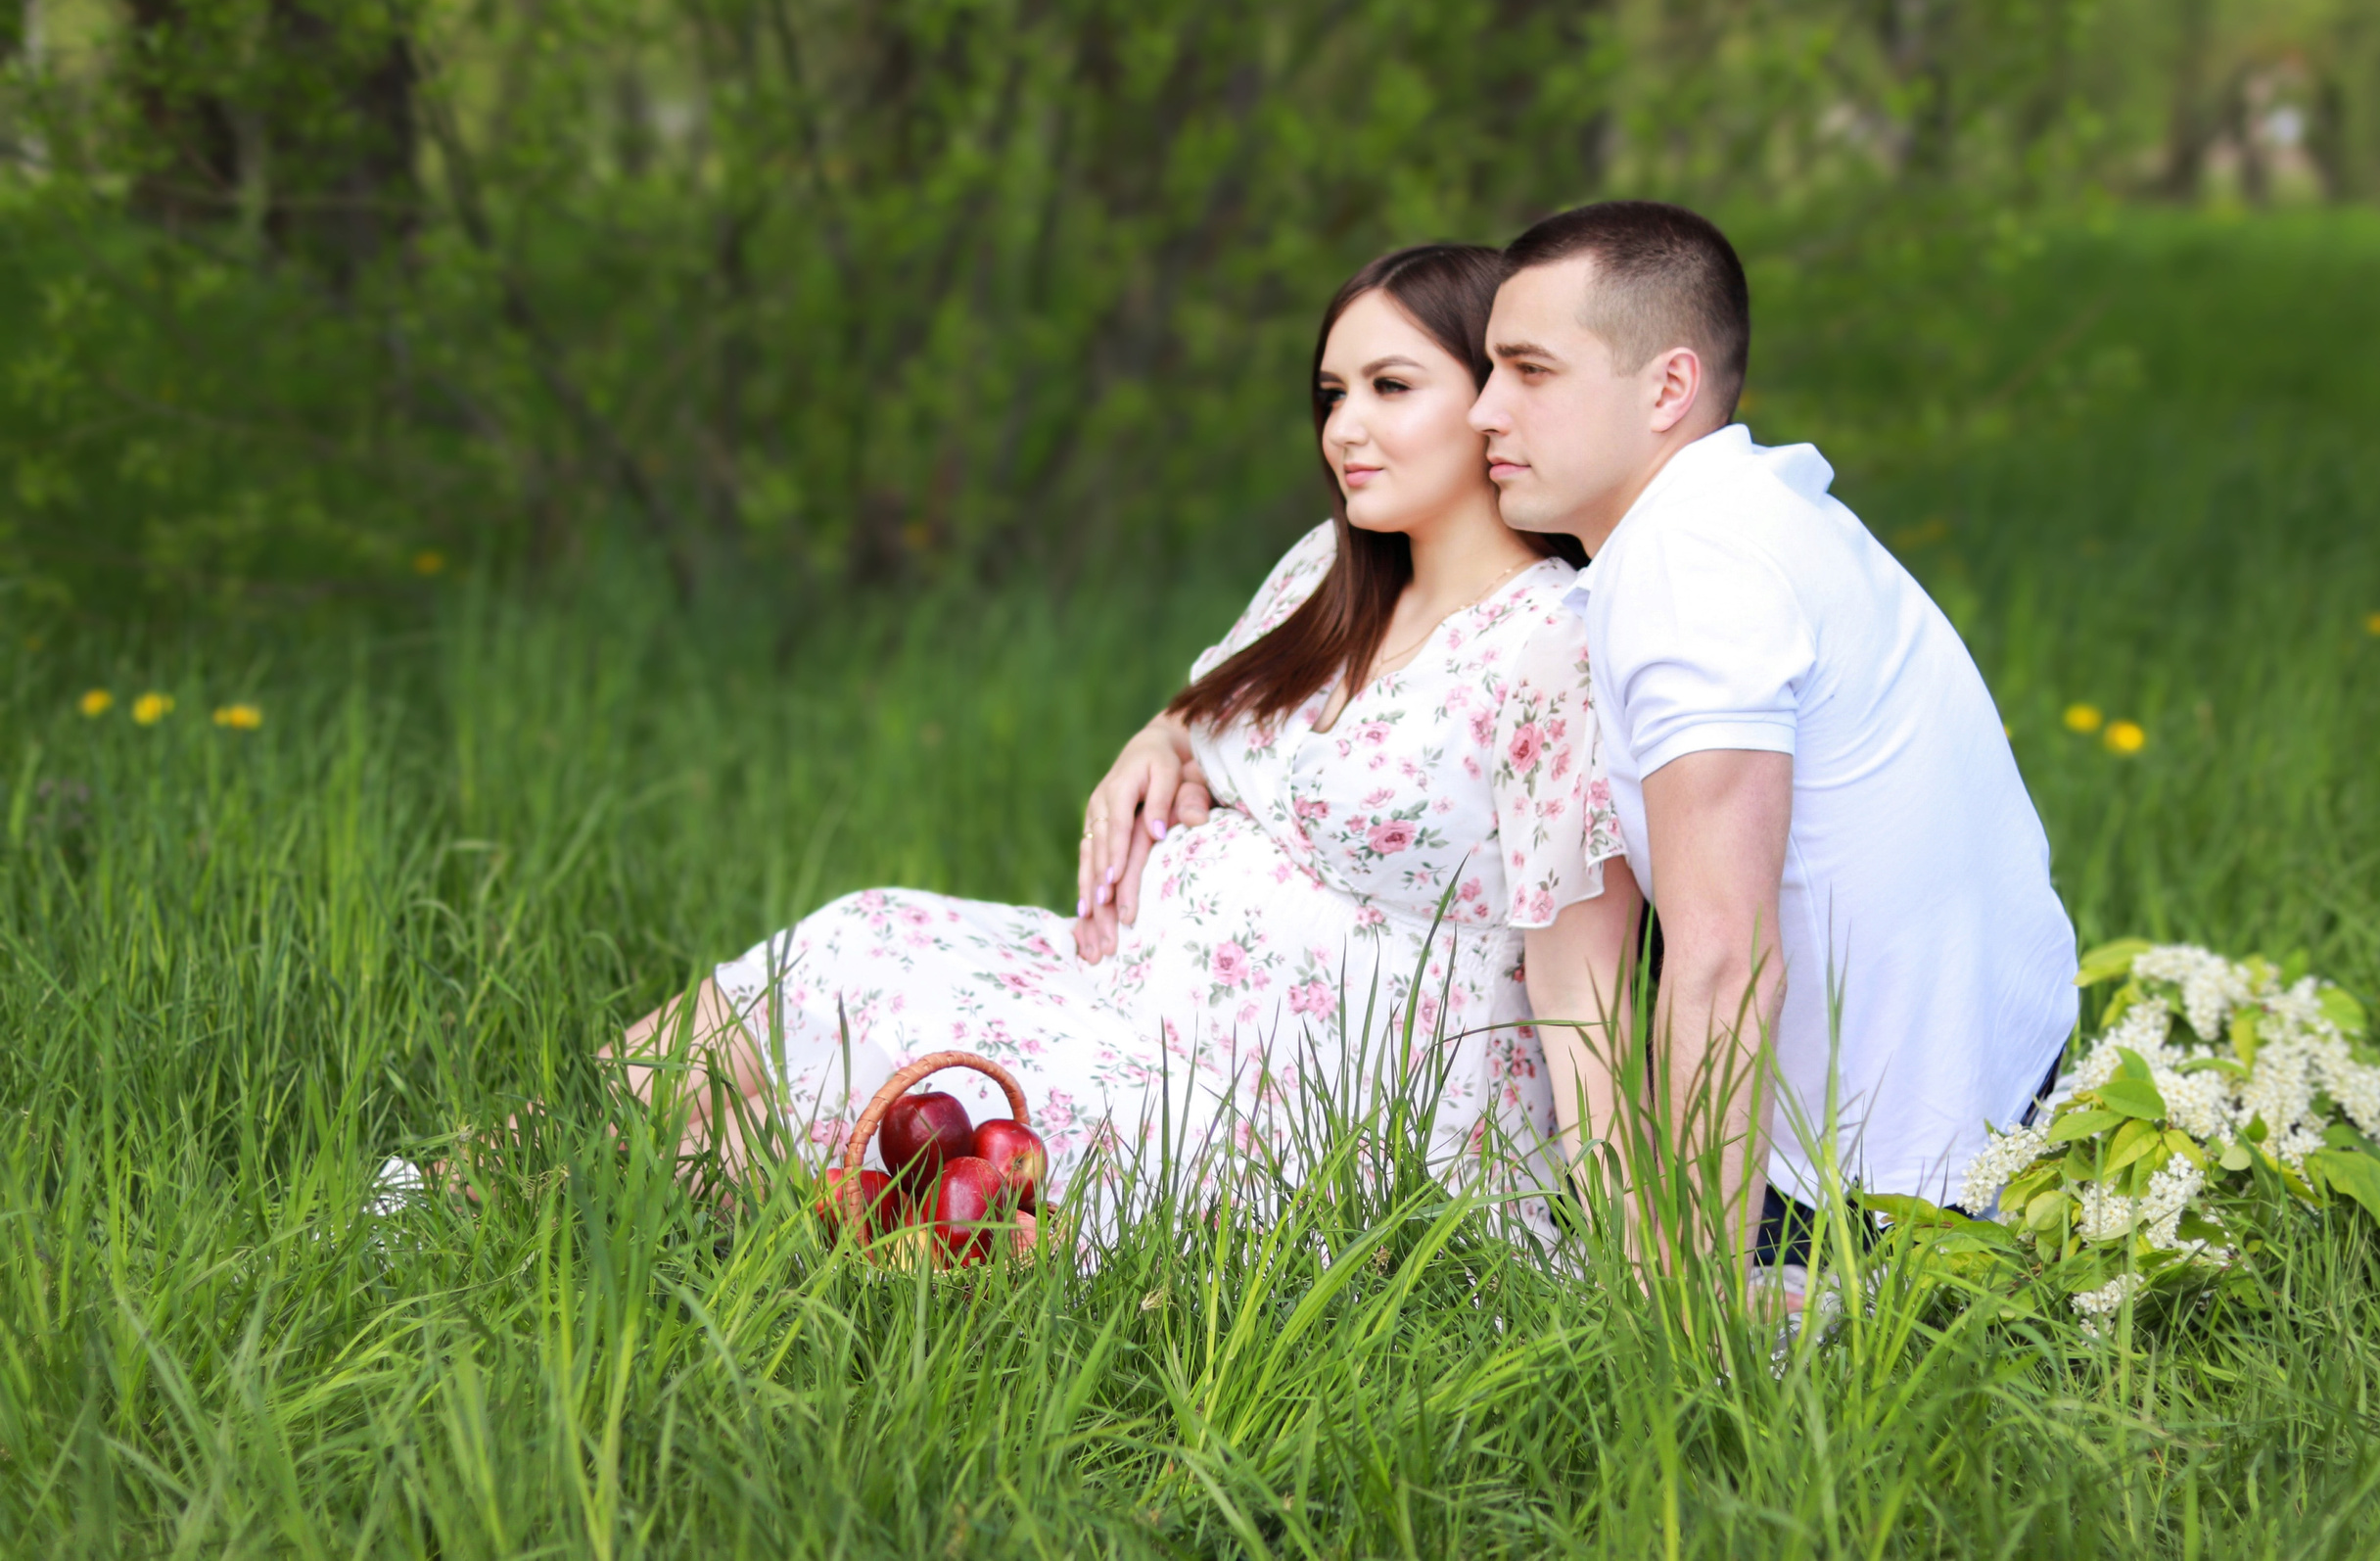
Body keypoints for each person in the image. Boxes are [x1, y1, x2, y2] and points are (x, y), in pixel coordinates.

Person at [613, 243, 1642, 1214]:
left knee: (866, 1100)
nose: (1343, 428)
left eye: (1390, 387)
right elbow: (1213, 712)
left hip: (1294, 1105)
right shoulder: (1330, 570)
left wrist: (1634, 1231)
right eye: (1333, 394)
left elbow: (1581, 977)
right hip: (1135, 997)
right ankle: (554, 1147)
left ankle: (589, 1192)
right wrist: (1156, 742)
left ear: (1497, 400)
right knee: (857, 938)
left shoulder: (1548, 645)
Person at [1468, 201, 2077, 1248]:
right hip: (2011, 1095)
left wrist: (1689, 1282)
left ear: (1668, 387)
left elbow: (1723, 958)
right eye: (1489, 370)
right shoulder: (1756, 509)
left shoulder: (1688, 567)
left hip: (1882, 1189)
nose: (1484, 409)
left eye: (1530, 371)